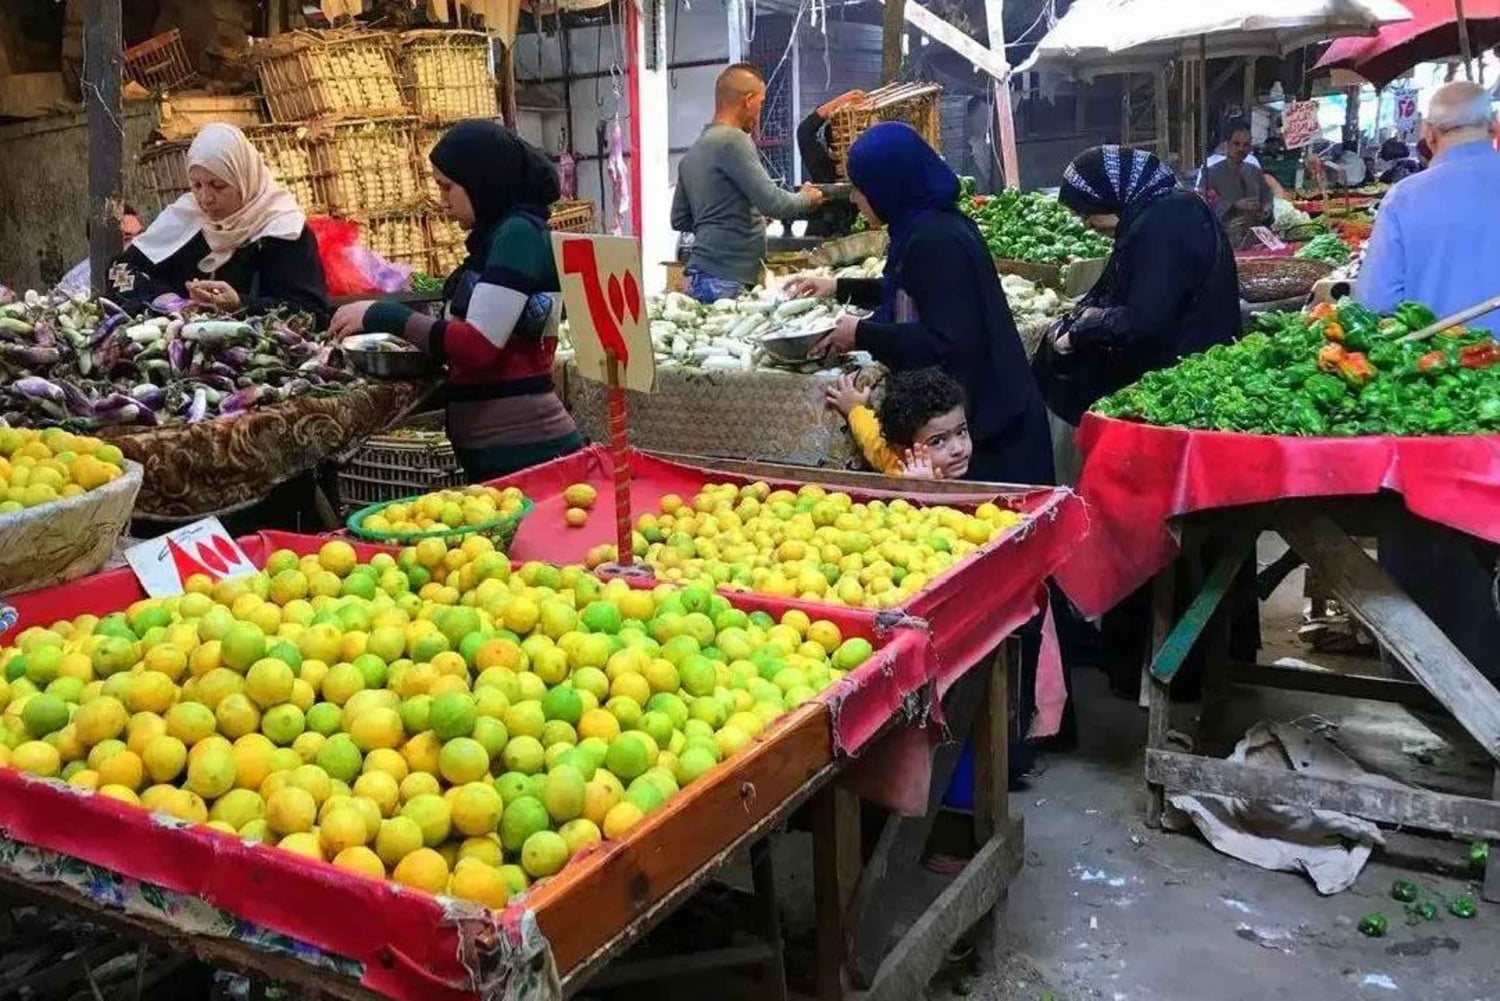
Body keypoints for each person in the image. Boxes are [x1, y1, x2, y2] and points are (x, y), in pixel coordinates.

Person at [788, 122, 1053, 487]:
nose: (854, 200)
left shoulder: (935, 241)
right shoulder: (927, 224)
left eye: (860, 190)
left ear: (886, 189)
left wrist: (863, 333)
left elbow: (947, 341)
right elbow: (913, 291)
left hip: (991, 439)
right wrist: (836, 286)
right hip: (986, 420)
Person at [328, 120, 581, 481]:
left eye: (448, 187)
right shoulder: (495, 237)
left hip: (528, 455)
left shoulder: (519, 235)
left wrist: (382, 314)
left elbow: (478, 346)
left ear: (481, 181)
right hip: (505, 458)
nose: (443, 201)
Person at [1355, 80, 1500, 681]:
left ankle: (1445, 684)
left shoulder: (1407, 199)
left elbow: (1375, 306)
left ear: (1428, 136)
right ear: (1491, 130)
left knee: (1429, 538)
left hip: (1438, 402)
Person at [108, 124, 328, 321]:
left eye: (218, 185)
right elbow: (119, 271)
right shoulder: (185, 217)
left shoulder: (283, 231)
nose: (206, 198)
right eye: (197, 185)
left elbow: (312, 313)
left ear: (244, 180)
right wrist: (164, 300)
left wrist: (240, 305)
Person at [671, 63, 824, 302]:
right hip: (726, 279)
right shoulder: (733, 141)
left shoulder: (696, 150)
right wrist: (806, 198)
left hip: (701, 276)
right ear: (749, 100)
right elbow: (773, 203)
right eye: (761, 103)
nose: (759, 111)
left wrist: (739, 215)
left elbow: (679, 219)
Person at [825, 368, 972, 479]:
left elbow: (870, 433)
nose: (958, 449)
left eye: (961, 432)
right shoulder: (899, 474)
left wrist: (854, 408)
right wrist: (921, 490)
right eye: (938, 441)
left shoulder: (882, 448)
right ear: (901, 449)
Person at [793, 90, 866, 238]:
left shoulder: (871, 167)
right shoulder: (823, 166)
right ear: (832, 148)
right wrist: (840, 101)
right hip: (824, 235)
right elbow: (804, 132)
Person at [1198, 122, 1273, 245]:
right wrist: (1233, 205)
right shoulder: (1211, 173)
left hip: (1253, 237)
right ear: (1227, 145)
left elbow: (1267, 195)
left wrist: (1265, 209)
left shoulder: (1254, 170)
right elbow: (1204, 202)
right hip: (1224, 237)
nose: (1241, 149)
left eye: (1246, 145)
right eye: (1236, 144)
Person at [57, 206, 143, 297]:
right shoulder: (74, 283)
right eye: (127, 239)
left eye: (140, 235)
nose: (135, 242)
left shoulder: (145, 267)